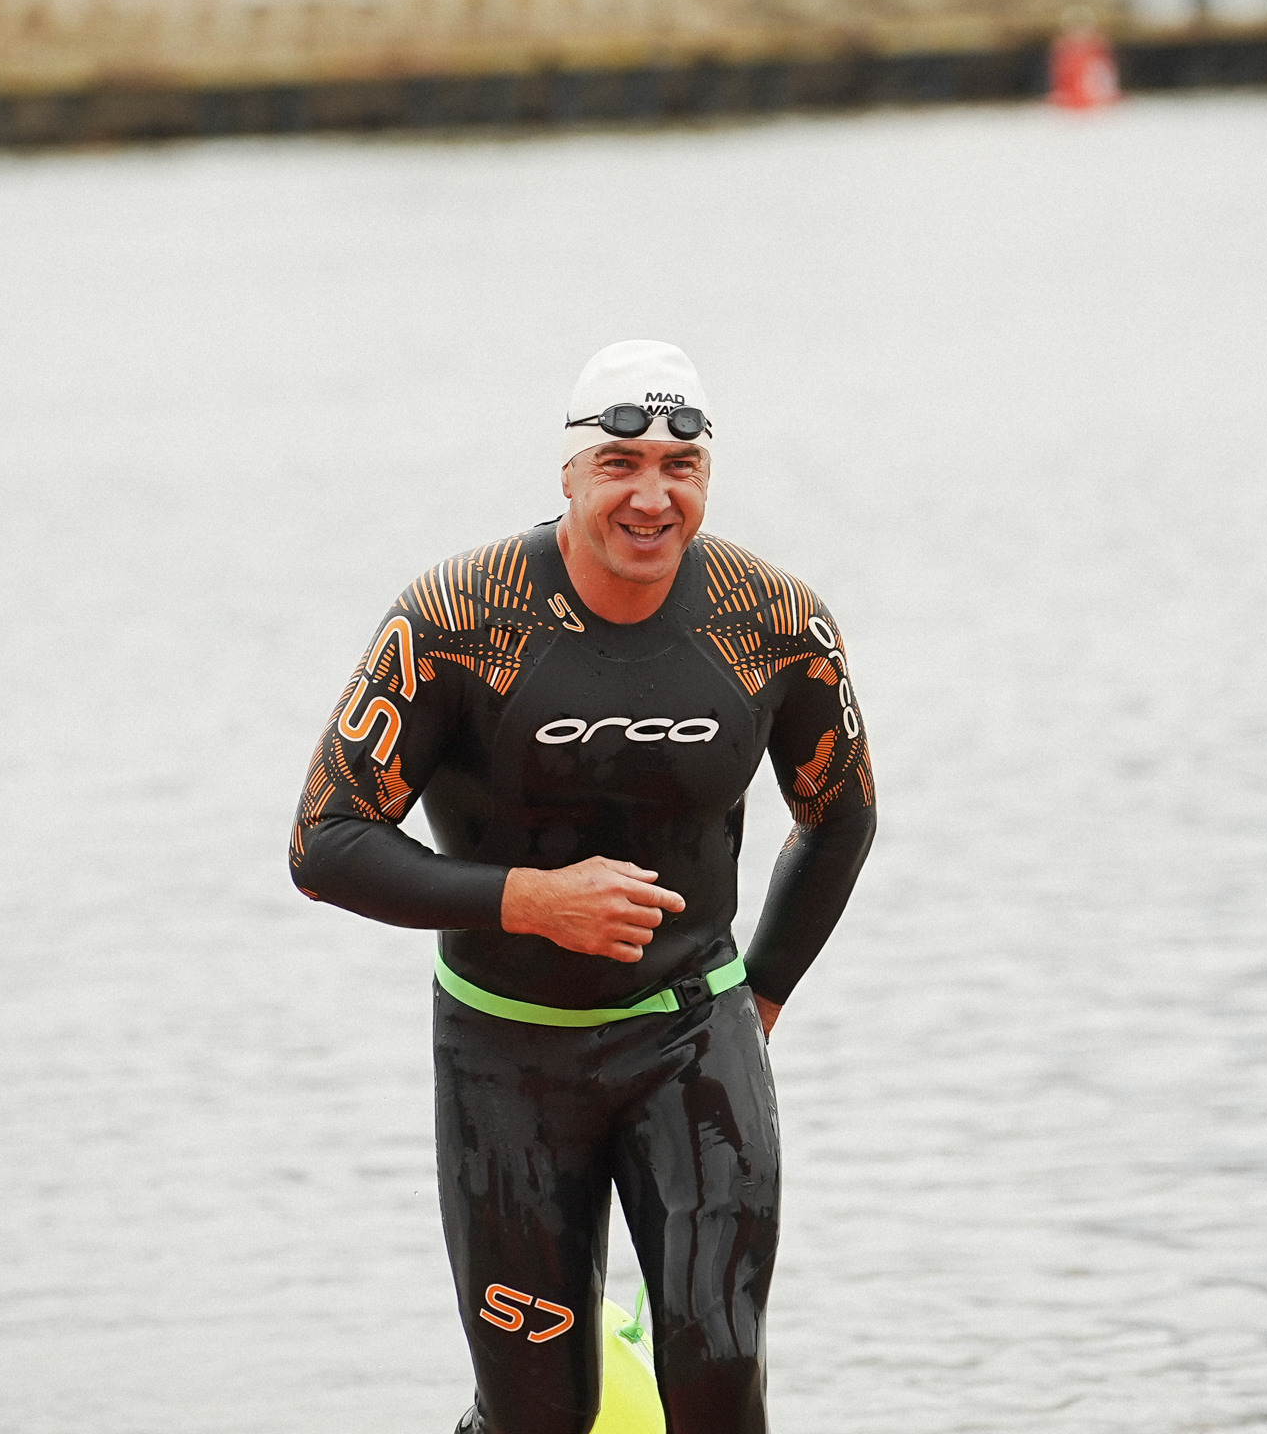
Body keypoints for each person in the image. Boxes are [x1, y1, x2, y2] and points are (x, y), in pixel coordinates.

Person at [290, 340, 877, 1434]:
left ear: (708, 475)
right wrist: (528, 899)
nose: (651, 494)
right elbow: (323, 839)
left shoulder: (772, 623)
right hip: (506, 1058)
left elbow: (841, 813)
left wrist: (762, 996)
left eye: (679, 465)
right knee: (537, 1415)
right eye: (619, 463)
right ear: (568, 473)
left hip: (692, 1043)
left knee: (718, 1380)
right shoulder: (462, 619)